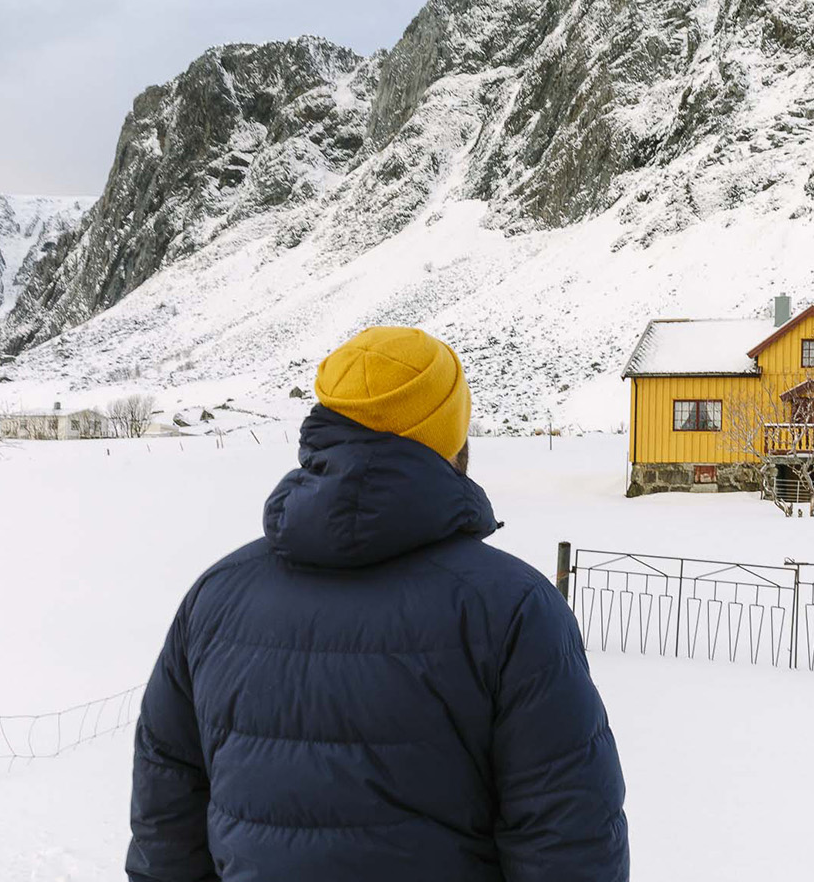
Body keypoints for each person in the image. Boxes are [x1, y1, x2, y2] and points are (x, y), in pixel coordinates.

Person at [125, 326, 628, 881]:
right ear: (450, 439)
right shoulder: (513, 608)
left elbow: (165, 816)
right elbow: (568, 841)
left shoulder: (216, 595)